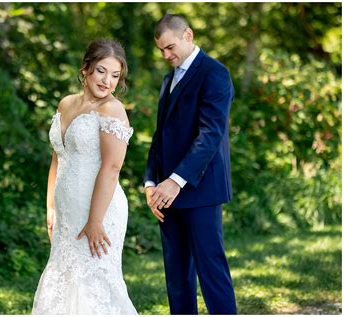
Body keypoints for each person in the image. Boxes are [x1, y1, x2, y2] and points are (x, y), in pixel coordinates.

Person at [32, 39, 137, 315]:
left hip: (99, 210)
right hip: (67, 211)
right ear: (86, 68)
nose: (108, 81)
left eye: (115, 75)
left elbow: (112, 168)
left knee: (95, 283)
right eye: (102, 71)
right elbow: (58, 157)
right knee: (63, 276)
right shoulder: (66, 104)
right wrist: (50, 208)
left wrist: (95, 220)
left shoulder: (112, 110)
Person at [144, 14, 237, 314]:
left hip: (201, 190)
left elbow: (210, 134)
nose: (166, 55)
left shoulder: (215, 73)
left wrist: (175, 180)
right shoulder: (167, 79)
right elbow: (161, 136)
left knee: (211, 271)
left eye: (170, 47)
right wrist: (150, 182)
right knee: (177, 276)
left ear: (188, 35)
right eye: (161, 50)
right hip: (165, 194)